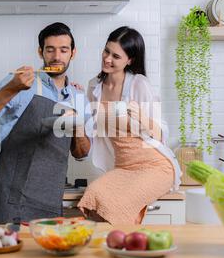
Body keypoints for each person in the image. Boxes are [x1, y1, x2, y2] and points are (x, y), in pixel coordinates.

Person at [0, 22, 91, 224]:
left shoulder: (79, 96)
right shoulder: (21, 83)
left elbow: (81, 154)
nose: (57, 56)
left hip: (49, 191)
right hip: (11, 188)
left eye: (63, 50)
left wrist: (78, 126)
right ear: (40, 52)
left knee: (45, 251)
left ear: (73, 53)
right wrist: (12, 88)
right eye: (50, 49)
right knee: (9, 253)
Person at [77, 26, 181, 225]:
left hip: (154, 166)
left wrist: (143, 118)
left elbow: (162, 132)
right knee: (93, 195)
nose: (108, 59)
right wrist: (78, 97)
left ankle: (124, 248)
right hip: (123, 167)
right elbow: (90, 127)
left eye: (116, 56)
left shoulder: (138, 84)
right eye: (106, 51)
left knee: (116, 205)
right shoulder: (94, 87)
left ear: (129, 60)